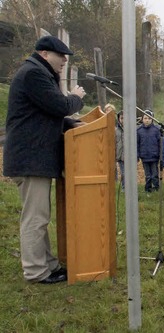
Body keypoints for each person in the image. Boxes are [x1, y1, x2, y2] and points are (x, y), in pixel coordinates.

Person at [4, 35, 86, 284]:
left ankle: (48, 265)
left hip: (33, 159)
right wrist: (76, 98)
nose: (64, 60)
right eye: (60, 55)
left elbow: (47, 115)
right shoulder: (33, 74)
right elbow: (59, 105)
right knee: (35, 218)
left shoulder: (37, 72)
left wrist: (75, 124)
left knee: (40, 217)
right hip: (30, 160)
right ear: (44, 54)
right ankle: (35, 271)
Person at [137, 111, 161, 192]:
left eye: (149, 118)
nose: (147, 120)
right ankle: (148, 189)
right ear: (142, 119)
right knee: (148, 175)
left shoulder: (156, 130)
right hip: (144, 156)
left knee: (154, 174)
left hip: (154, 156)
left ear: (152, 119)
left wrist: (160, 155)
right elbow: (137, 144)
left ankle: (156, 188)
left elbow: (159, 143)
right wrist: (137, 155)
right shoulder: (139, 130)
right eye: (145, 118)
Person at [114, 109, 125, 189]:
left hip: (129, 156)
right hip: (120, 155)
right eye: (121, 118)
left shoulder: (132, 129)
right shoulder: (116, 130)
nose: (123, 120)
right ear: (119, 119)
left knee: (129, 173)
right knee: (123, 172)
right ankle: (124, 187)